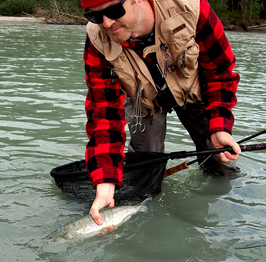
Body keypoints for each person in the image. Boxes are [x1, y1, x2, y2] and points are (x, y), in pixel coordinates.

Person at [80, 0, 242, 233]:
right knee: (145, 170)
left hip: (195, 93)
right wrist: (105, 183)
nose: (106, 23)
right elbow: (103, 112)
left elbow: (221, 72)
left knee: (221, 161)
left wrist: (220, 125)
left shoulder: (193, 9)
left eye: (113, 11)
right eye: (95, 16)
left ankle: (227, 221)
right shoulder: (96, 38)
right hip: (142, 103)